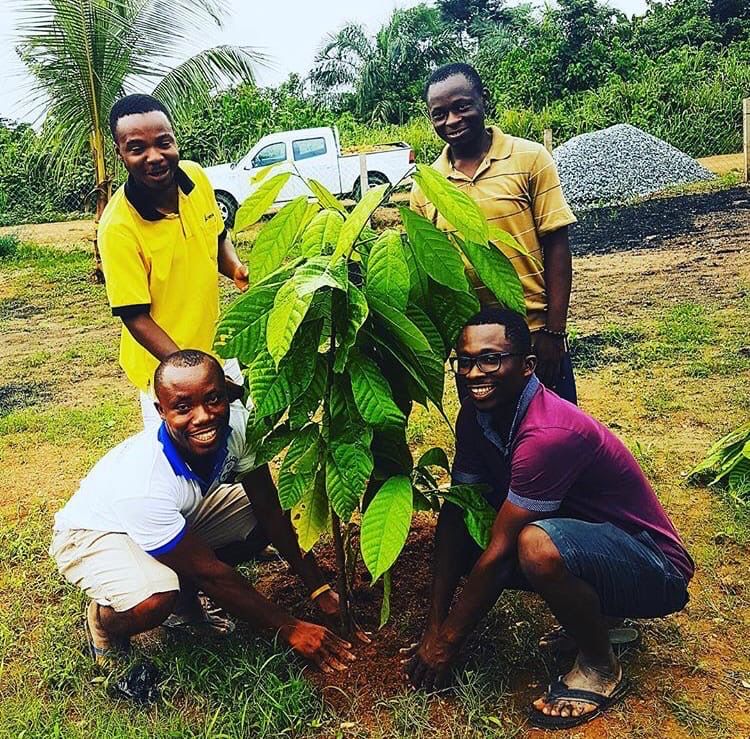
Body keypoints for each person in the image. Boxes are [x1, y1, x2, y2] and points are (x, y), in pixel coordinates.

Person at [404, 308, 694, 730]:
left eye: (490, 359)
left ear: (527, 367)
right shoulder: (476, 415)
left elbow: (503, 555)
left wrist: (447, 641)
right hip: (597, 547)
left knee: (533, 546)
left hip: (656, 569)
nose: (472, 373)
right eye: (464, 361)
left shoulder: (548, 433)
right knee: (470, 529)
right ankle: (597, 619)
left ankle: (599, 665)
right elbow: (457, 510)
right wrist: (434, 626)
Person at [50, 350, 358, 675]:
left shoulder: (237, 428)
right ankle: (104, 621)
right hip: (94, 533)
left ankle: (180, 595)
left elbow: (269, 511)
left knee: (260, 514)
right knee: (155, 598)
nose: (203, 417)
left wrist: (319, 589)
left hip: (166, 521)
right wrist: (290, 627)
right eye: (183, 407)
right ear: (161, 412)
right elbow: (209, 572)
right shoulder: (147, 481)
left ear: (226, 396)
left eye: (213, 400)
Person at [410, 63, 578, 403]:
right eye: (439, 114)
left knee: (554, 443)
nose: (452, 121)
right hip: (471, 345)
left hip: (533, 334)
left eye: (461, 107)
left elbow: (557, 244)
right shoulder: (425, 186)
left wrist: (553, 331)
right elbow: (429, 270)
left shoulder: (530, 158)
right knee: (485, 446)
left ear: (484, 100)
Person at [100, 94, 250, 428]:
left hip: (218, 350)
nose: (154, 156)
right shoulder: (118, 227)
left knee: (247, 450)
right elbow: (135, 316)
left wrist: (237, 269)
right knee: (187, 468)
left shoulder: (196, 178)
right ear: (120, 153)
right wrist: (194, 376)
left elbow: (217, 236)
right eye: (137, 148)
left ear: (174, 139)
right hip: (167, 370)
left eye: (163, 142)